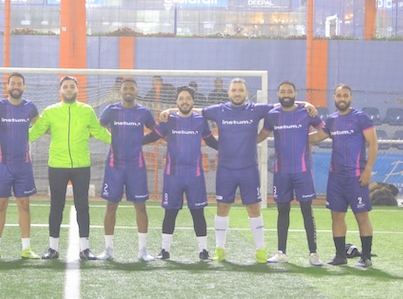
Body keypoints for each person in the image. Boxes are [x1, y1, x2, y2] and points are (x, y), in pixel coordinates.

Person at [160, 78, 315, 263]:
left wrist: (305, 104)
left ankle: (260, 250)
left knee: (254, 208)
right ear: (229, 92)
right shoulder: (219, 110)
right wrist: (170, 111)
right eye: (234, 90)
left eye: (240, 90)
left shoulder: (255, 109)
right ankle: (220, 249)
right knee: (222, 208)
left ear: (246, 93)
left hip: (249, 169)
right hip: (225, 170)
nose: (237, 93)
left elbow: (282, 103)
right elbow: (195, 110)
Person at [28, 76, 112, 260]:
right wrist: (15, 139)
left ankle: (85, 249)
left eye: (71, 86)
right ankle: (52, 248)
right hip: (57, 165)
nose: (68, 89)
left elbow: (99, 131)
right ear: (60, 90)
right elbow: (35, 131)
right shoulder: (50, 111)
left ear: (77, 89)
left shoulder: (86, 110)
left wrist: (117, 142)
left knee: (83, 206)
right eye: (65, 86)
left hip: (81, 166)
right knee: (56, 206)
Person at [142, 86, 218, 261]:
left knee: (198, 212)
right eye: (181, 98)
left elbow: (210, 141)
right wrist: (134, 142)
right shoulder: (169, 120)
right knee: (170, 212)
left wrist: (227, 149)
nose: (185, 101)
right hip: (173, 175)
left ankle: (203, 251)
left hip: (195, 175)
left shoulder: (200, 121)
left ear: (193, 102)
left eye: (188, 98)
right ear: (176, 102)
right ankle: (165, 251)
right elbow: (154, 136)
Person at [256, 81, 324, 266]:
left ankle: (313, 254)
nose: (286, 94)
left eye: (289, 91)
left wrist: (307, 138)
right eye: (283, 92)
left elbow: (324, 130)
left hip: (302, 172)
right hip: (281, 173)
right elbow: (262, 135)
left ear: (295, 93)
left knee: (307, 211)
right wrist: (241, 140)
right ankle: (281, 252)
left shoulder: (306, 112)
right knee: (282, 211)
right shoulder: (273, 115)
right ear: (278, 94)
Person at [310, 84, 378, 268]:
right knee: (337, 216)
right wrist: (294, 135)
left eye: (345, 95)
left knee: (361, 216)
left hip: (356, 177)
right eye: (339, 95)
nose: (342, 98)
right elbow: (317, 137)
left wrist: (368, 169)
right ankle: (340, 256)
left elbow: (373, 143)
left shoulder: (360, 118)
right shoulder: (332, 120)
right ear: (334, 98)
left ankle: (366, 257)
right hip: (336, 179)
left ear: (351, 98)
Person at [95, 77, 158, 262]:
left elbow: (156, 131)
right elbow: (97, 128)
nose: (128, 91)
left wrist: (142, 141)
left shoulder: (144, 112)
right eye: (125, 88)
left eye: (131, 88)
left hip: (136, 167)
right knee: (111, 206)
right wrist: (110, 139)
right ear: (120, 91)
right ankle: (108, 250)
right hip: (114, 166)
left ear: (136, 91)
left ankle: (143, 251)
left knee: (141, 206)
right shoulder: (111, 110)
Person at [0, 72, 41, 260]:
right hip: (2, 164)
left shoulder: (30, 108)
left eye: (19, 83)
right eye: (13, 83)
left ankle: (26, 248)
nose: (16, 86)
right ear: (7, 86)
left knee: (24, 204)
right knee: (0, 204)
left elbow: (43, 127)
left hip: (23, 165)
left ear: (24, 87)